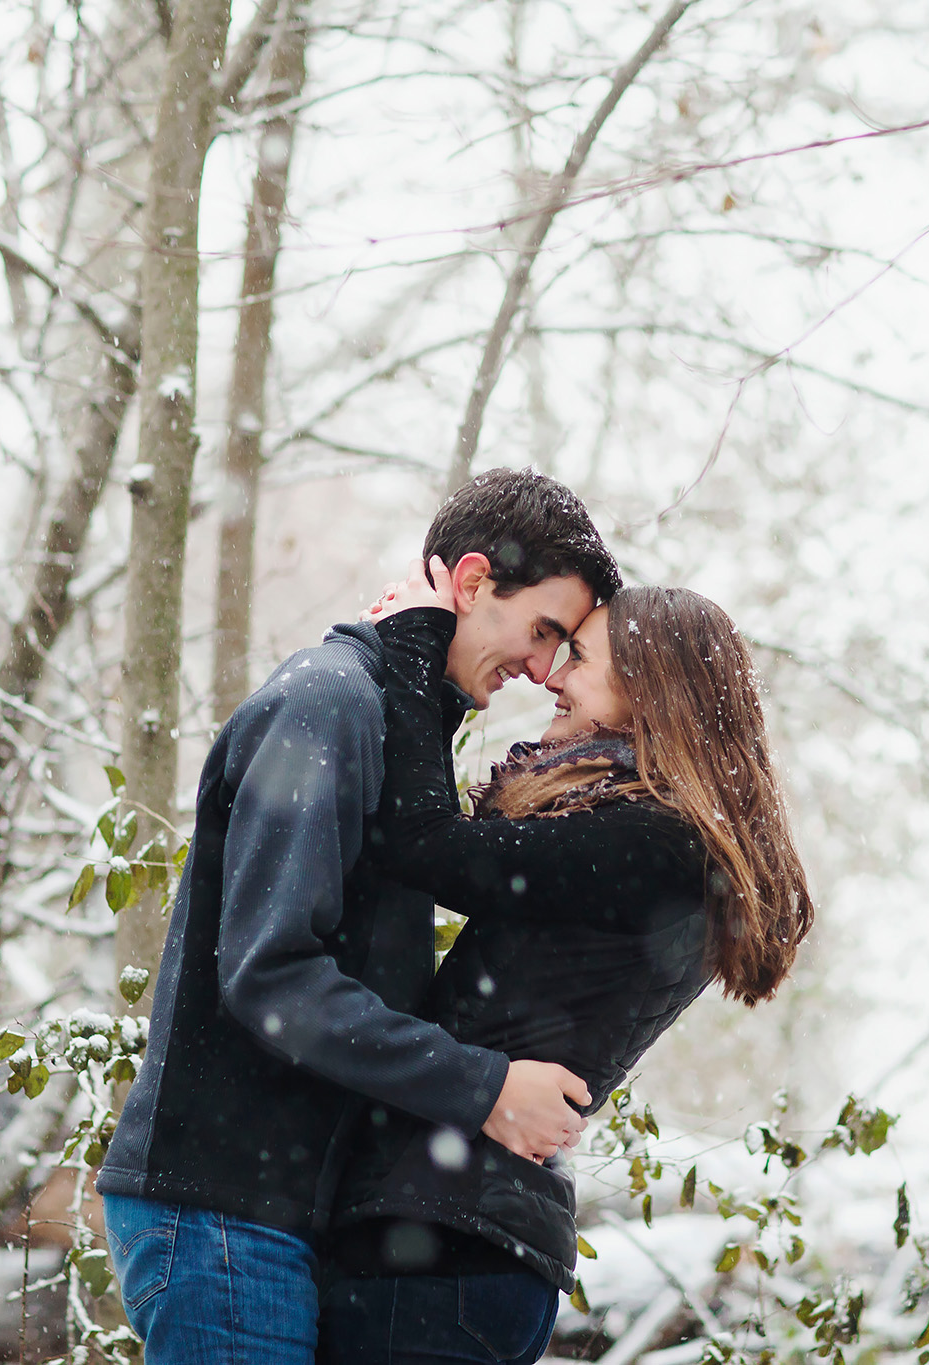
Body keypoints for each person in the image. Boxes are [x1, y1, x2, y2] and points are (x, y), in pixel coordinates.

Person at [98, 473, 623, 1365]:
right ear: (468, 582)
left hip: (275, 1215)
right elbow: (270, 977)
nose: (542, 668)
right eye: (542, 630)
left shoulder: (385, 714)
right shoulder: (330, 701)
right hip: (222, 1213)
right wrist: (485, 1088)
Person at [318, 560, 814, 1365]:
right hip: (462, 1241)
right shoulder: (652, 837)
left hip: (441, 1248)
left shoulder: (655, 844)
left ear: (652, 692)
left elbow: (427, 845)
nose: (551, 676)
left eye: (578, 657)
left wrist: (416, 642)